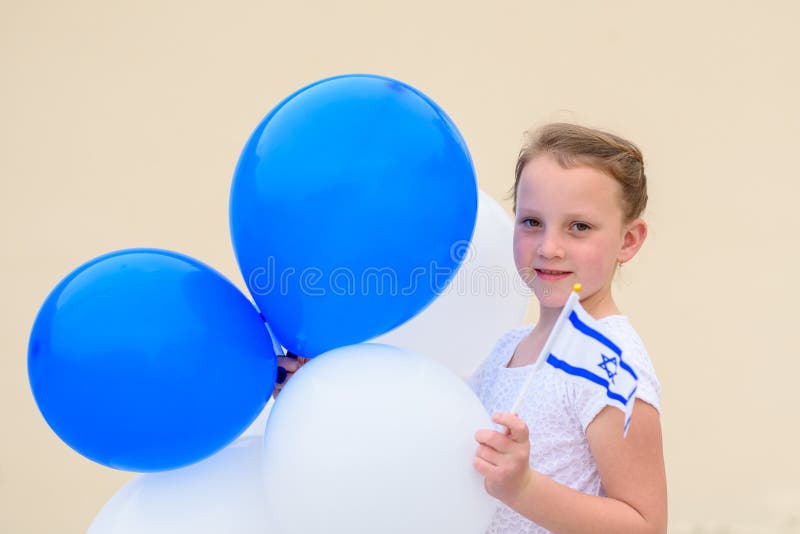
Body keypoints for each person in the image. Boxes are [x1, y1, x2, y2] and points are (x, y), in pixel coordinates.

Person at [469, 123, 667, 533]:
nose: (548, 247)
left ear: (628, 240)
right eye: (532, 222)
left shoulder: (611, 366)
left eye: (579, 227)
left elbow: (646, 525)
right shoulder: (507, 348)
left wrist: (523, 488)